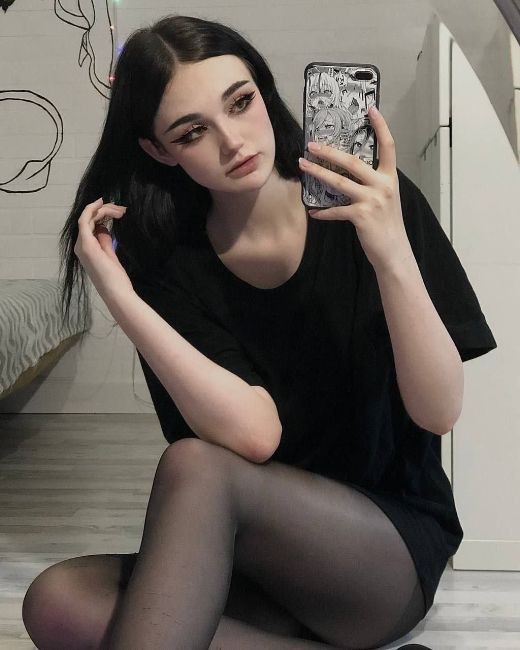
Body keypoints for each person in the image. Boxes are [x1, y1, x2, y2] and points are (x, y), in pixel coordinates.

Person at [21, 13, 497, 650]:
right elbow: (254, 432)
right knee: (56, 603)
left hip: (380, 554)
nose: (233, 141)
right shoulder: (170, 260)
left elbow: (439, 410)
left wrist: (389, 252)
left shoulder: (374, 202)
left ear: (264, 91)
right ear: (160, 151)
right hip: (257, 554)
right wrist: (122, 297)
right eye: (193, 132)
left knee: (196, 467)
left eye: (240, 103)